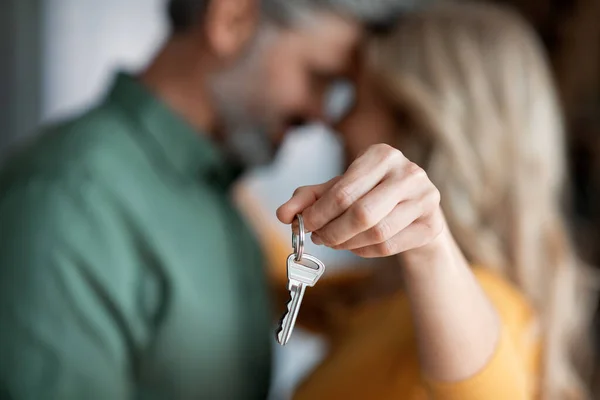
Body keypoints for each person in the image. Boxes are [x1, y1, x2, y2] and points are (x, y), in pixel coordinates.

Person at [0, 0, 527, 399]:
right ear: (231, 19)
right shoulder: (69, 201)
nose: (326, 117)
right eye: (319, 77)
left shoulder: (218, 197)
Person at [240, 2, 598, 399]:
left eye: (356, 99)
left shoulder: (485, 304)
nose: (337, 122)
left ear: (417, 123)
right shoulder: (383, 295)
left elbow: (488, 391)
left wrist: (430, 246)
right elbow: (283, 276)